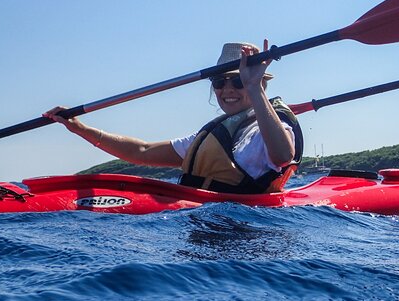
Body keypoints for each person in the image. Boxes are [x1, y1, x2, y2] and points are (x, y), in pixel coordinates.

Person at [44, 41, 303, 194]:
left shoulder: (269, 129)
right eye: (219, 82)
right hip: (206, 218)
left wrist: (254, 86)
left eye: (237, 81)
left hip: (247, 230)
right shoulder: (216, 136)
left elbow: (282, 156)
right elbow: (142, 151)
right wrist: (80, 128)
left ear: (261, 85)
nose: (227, 90)